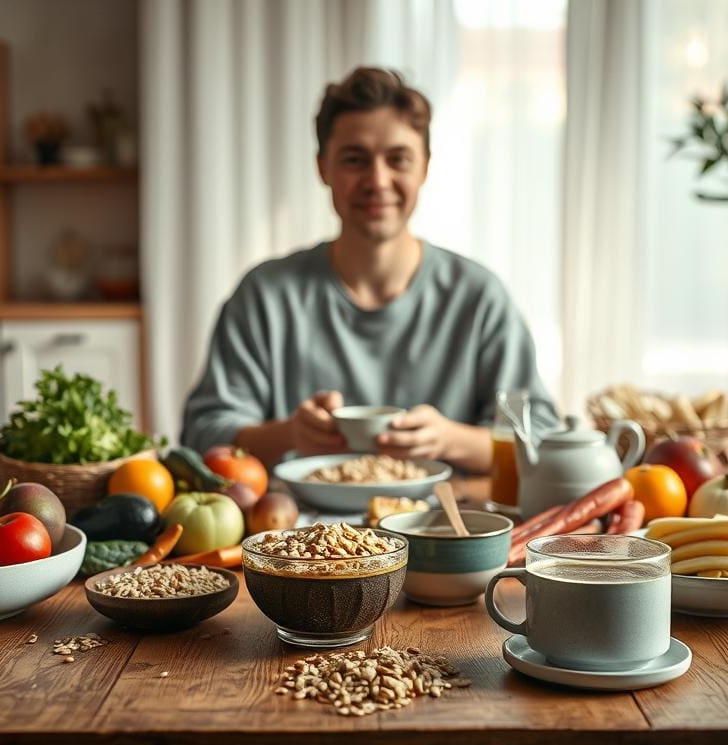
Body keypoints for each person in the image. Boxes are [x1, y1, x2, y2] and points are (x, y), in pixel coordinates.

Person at [181, 67, 556, 473]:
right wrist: (291, 434)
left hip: (446, 527)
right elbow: (202, 435)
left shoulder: (478, 296)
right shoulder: (265, 295)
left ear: (424, 168)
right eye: (355, 160)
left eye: (398, 159)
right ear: (323, 168)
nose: (377, 181)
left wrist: (449, 439)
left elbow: (542, 440)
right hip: (294, 532)